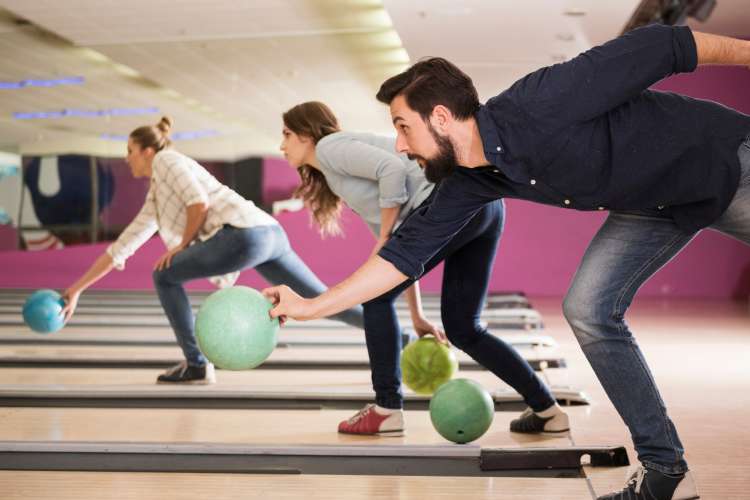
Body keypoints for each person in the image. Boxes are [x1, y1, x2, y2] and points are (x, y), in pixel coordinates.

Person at [264, 24, 750, 500]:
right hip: (653, 204)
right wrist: (310, 306)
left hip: (726, 164)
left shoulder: (539, 101)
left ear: (439, 116)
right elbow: (400, 257)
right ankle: (666, 471)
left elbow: (667, 44)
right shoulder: (472, 181)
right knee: (587, 309)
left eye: (403, 126)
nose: (399, 145)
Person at [279, 101, 569, 436]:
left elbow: (392, 171)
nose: (281, 145)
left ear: (307, 134)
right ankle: (548, 411)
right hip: (481, 203)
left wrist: (388, 236)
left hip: (449, 202)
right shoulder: (334, 172)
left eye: (287, 134)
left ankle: (387, 409)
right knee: (463, 329)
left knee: (375, 300)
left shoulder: (329, 148)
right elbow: (395, 261)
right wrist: (416, 316)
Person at [61, 116, 363, 384]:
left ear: (147, 151)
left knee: (165, 276)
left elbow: (198, 203)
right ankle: (397, 334)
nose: (126, 158)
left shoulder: (167, 161)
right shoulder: (158, 192)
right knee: (323, 300)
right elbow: (124, 245)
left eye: (130, 151)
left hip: (244, 235)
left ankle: (196, 364)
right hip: (269, 234)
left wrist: (180, 246)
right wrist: (76, 289)